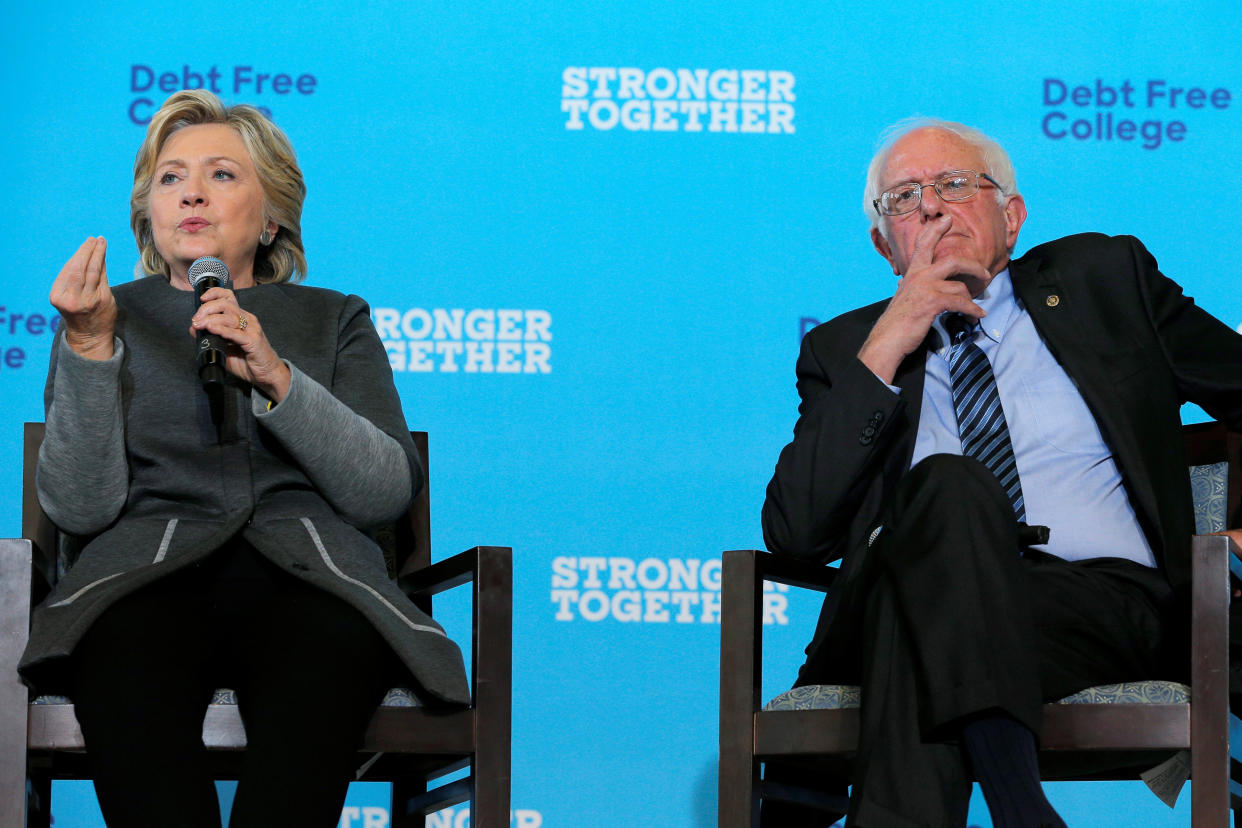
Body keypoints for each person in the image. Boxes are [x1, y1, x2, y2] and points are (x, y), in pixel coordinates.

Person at [761, 118, 1242, 828]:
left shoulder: (1104, 282)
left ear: (1010, 218)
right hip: (900, 593)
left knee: (918, 628)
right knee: (948, 489)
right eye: (902, 199)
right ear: (883, 245)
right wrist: (892, 337)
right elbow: (797, 532)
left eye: (954, 185)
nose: (929, 207)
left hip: (1095, 611)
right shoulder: (844, 349)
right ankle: (1020, 807)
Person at [17, 89, 469, 828]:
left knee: (332, 649)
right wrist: (91, 349)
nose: (191, 190)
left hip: (313, 580)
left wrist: (276, 375)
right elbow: (80, 508)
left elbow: (384, 491)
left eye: (222, 174)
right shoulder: (104, 314)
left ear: (271, 218)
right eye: (171, 177)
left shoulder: (334, 317)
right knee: (120, 651)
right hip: (144, 581)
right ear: (148, 213)